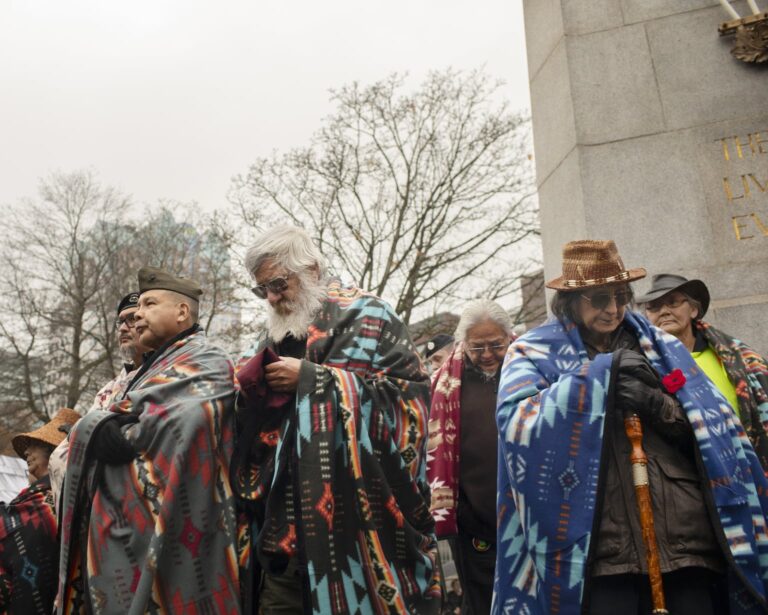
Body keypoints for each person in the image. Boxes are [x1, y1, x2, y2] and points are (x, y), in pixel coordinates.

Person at [493, 240, 768, 614]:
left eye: (622, 296)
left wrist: (657, 405)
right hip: (599, 551)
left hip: (684, 541)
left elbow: (713, 431)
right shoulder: (531, 352)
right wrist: (597, 380)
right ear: (571, 301)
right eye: (600, 298)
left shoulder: (662, 346)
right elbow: (517, 425)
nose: (614, 309)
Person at [232, 225, 440, 614]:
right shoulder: (266, 339)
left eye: (278, 284)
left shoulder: (370, 315)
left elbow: (410, 408)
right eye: (262, 290)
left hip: (360, 542)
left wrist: (311, 380)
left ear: (311, 269)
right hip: (284, 546)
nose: (272, 298)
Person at [57, 267, 241, 614]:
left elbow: (180, 426)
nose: (138, 315)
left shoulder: (209, 361)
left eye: (149, 304)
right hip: (120, 536)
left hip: (183, 533)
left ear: (182, 312)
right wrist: (97, 427)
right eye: (135, 309)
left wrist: (100, 428)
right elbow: (122, 421)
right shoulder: (147, 373)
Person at [427, 300, 512, 614]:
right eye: (478, 347)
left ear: (510, 336)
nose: (488, 354)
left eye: (496, 344)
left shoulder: (529, 368)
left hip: (532, 519)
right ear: (463, 343)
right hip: (474, 524)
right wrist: (462, 512)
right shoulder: (443, 384)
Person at [639, 273, 768, 473]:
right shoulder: (644, 363)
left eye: (673, 303)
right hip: (685, 471)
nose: (664, 311)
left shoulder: (732, 355)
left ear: (693, 310)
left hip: (748, 461)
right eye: (654, 307)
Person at [48, 292, 150, 507]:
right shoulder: (108, 390)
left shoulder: (167, 376)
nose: (123, 328)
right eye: (120, 321)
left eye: (132, 319)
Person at [0, 408, 80, 614]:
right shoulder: (61, 497)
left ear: (54, 451)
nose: (26, 452)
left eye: (34, 445)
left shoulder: (48, 502)